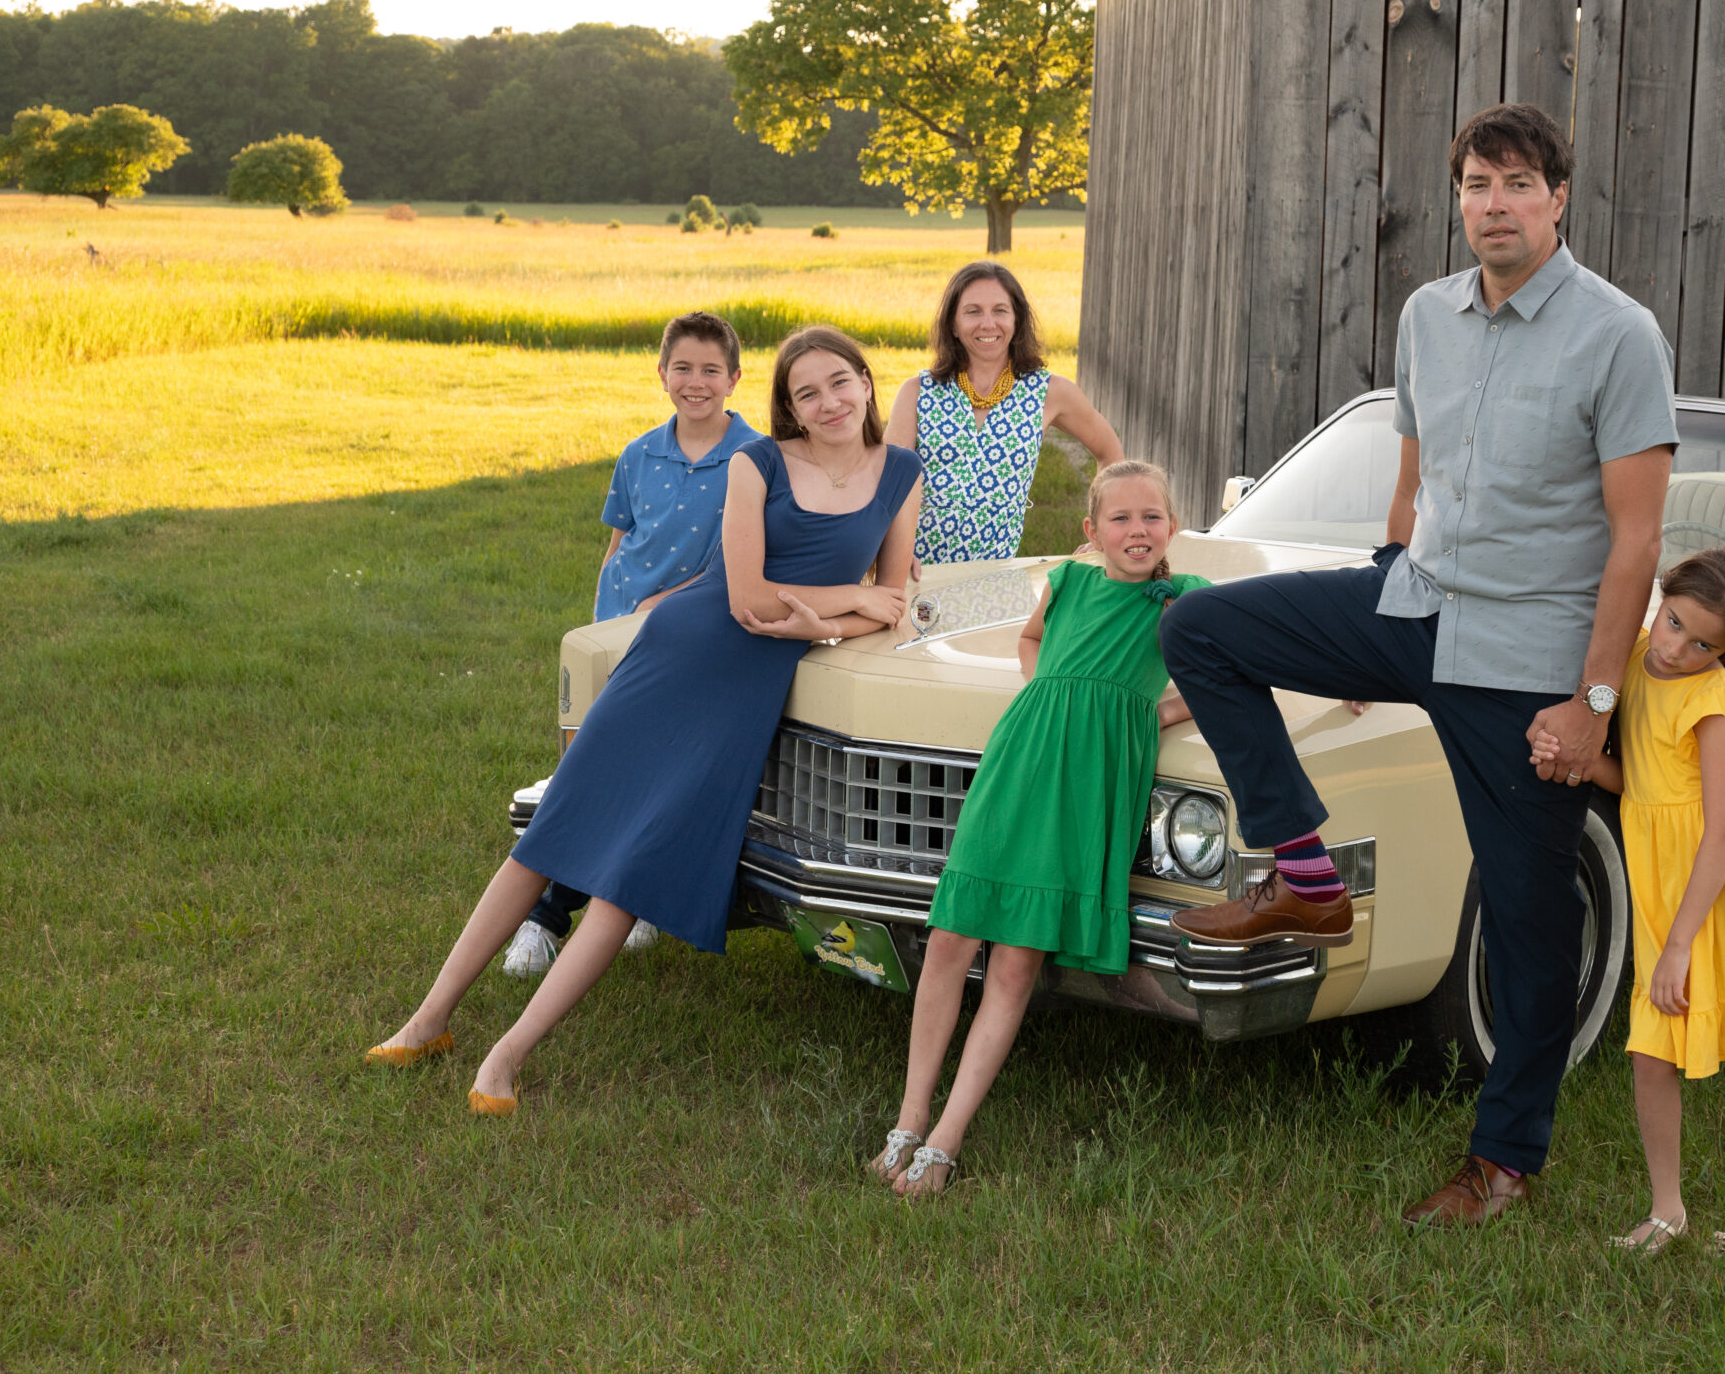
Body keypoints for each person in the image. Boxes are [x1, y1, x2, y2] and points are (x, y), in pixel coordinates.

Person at [1157, 102, 1677, 1228]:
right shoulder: (1425, 314)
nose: (1493, 203)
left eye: (1516, 183)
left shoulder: (1618, 334)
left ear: (1557, 198)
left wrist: (1591, 705)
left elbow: (1635, 541)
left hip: (1527, 658)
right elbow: (1416, 475)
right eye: (1475, 185)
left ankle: (1504, 1159)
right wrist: (1375, 609)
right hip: (1415, 604)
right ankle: (1305, 877)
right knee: (1201, 631)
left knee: (1534, 924)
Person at [365, 327, 921, 1114]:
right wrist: (847, 601)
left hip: (745, 692)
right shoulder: (755, 462)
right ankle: (428, 1019)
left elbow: (892, 605)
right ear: (787, 406)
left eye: (840, 383)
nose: (827, 402)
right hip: (679, 652)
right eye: (806, 392)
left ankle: (506, 1055)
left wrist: (821, 623)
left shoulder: (900, 473)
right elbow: (744, 595)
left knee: (633, 872)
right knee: (549, 836)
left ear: (867, 383)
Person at [870, 461, 1207, 1196]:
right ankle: (908, 1115)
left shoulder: (1185, 600)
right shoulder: (1069, 580)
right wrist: (1046, 690)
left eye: (1151, 516)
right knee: (953, 936)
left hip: (1092, 775)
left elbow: (1236, 663)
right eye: (1119, 518)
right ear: (1092, 531)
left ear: (1172, 526)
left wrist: (1148, 716)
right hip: (1023, 753)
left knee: (1018, 958)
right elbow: (1030, 641)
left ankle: (947, 1138)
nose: (1136, 530)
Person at [1528, 547, 1725, 1255]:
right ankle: (1666, 1211)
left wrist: (1676, 945)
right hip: (1673, 883)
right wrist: (1571, 759)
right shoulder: (1636, 658)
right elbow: (1632, 775)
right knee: (1651, 1048)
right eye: (1673, 623)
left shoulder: (1715, 704)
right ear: (1660, 599)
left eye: (1703, 644)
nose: (1676, 649)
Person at [504, 312, 763, 979]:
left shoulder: (756, 459)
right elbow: (618, 548)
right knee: (591, 773)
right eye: (683, 368)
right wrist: (604, 624)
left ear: (735, 377)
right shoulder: (638, 454)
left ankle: (569, 912)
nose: (696, 382)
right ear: (661, 373)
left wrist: (668, 607)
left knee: (649, 772)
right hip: (618, 632)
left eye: (711, 370)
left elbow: (742, 562)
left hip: (693, 635)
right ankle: (554, 912)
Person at [885, 260, 1122, 565]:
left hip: (997, 577)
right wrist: (894, 555)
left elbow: (1110, 453)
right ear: (953, 325)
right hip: (914, 573)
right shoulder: (917, 391)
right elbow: (887, 487)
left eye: (1000, 310)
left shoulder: (1050, 392)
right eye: (973, 311)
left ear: (1016, 320)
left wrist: (1102, 534)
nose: (988, 324)